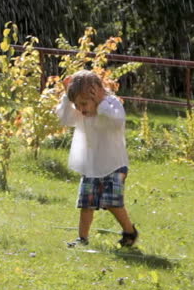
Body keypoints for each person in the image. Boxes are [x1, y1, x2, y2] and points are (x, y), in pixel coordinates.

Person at [54, 70, 138, 247]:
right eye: (77, 105)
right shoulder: (82, 111)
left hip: (115, 164)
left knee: (113, 203)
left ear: (98, 94)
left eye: (84, 103)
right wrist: (67, 97)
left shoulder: (110, 104)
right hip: (91, 165)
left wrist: (100, 104)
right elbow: (64, 119)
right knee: (87, 204)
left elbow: (117, 119)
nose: (81, 109)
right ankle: (82, 239)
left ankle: (129, 231)